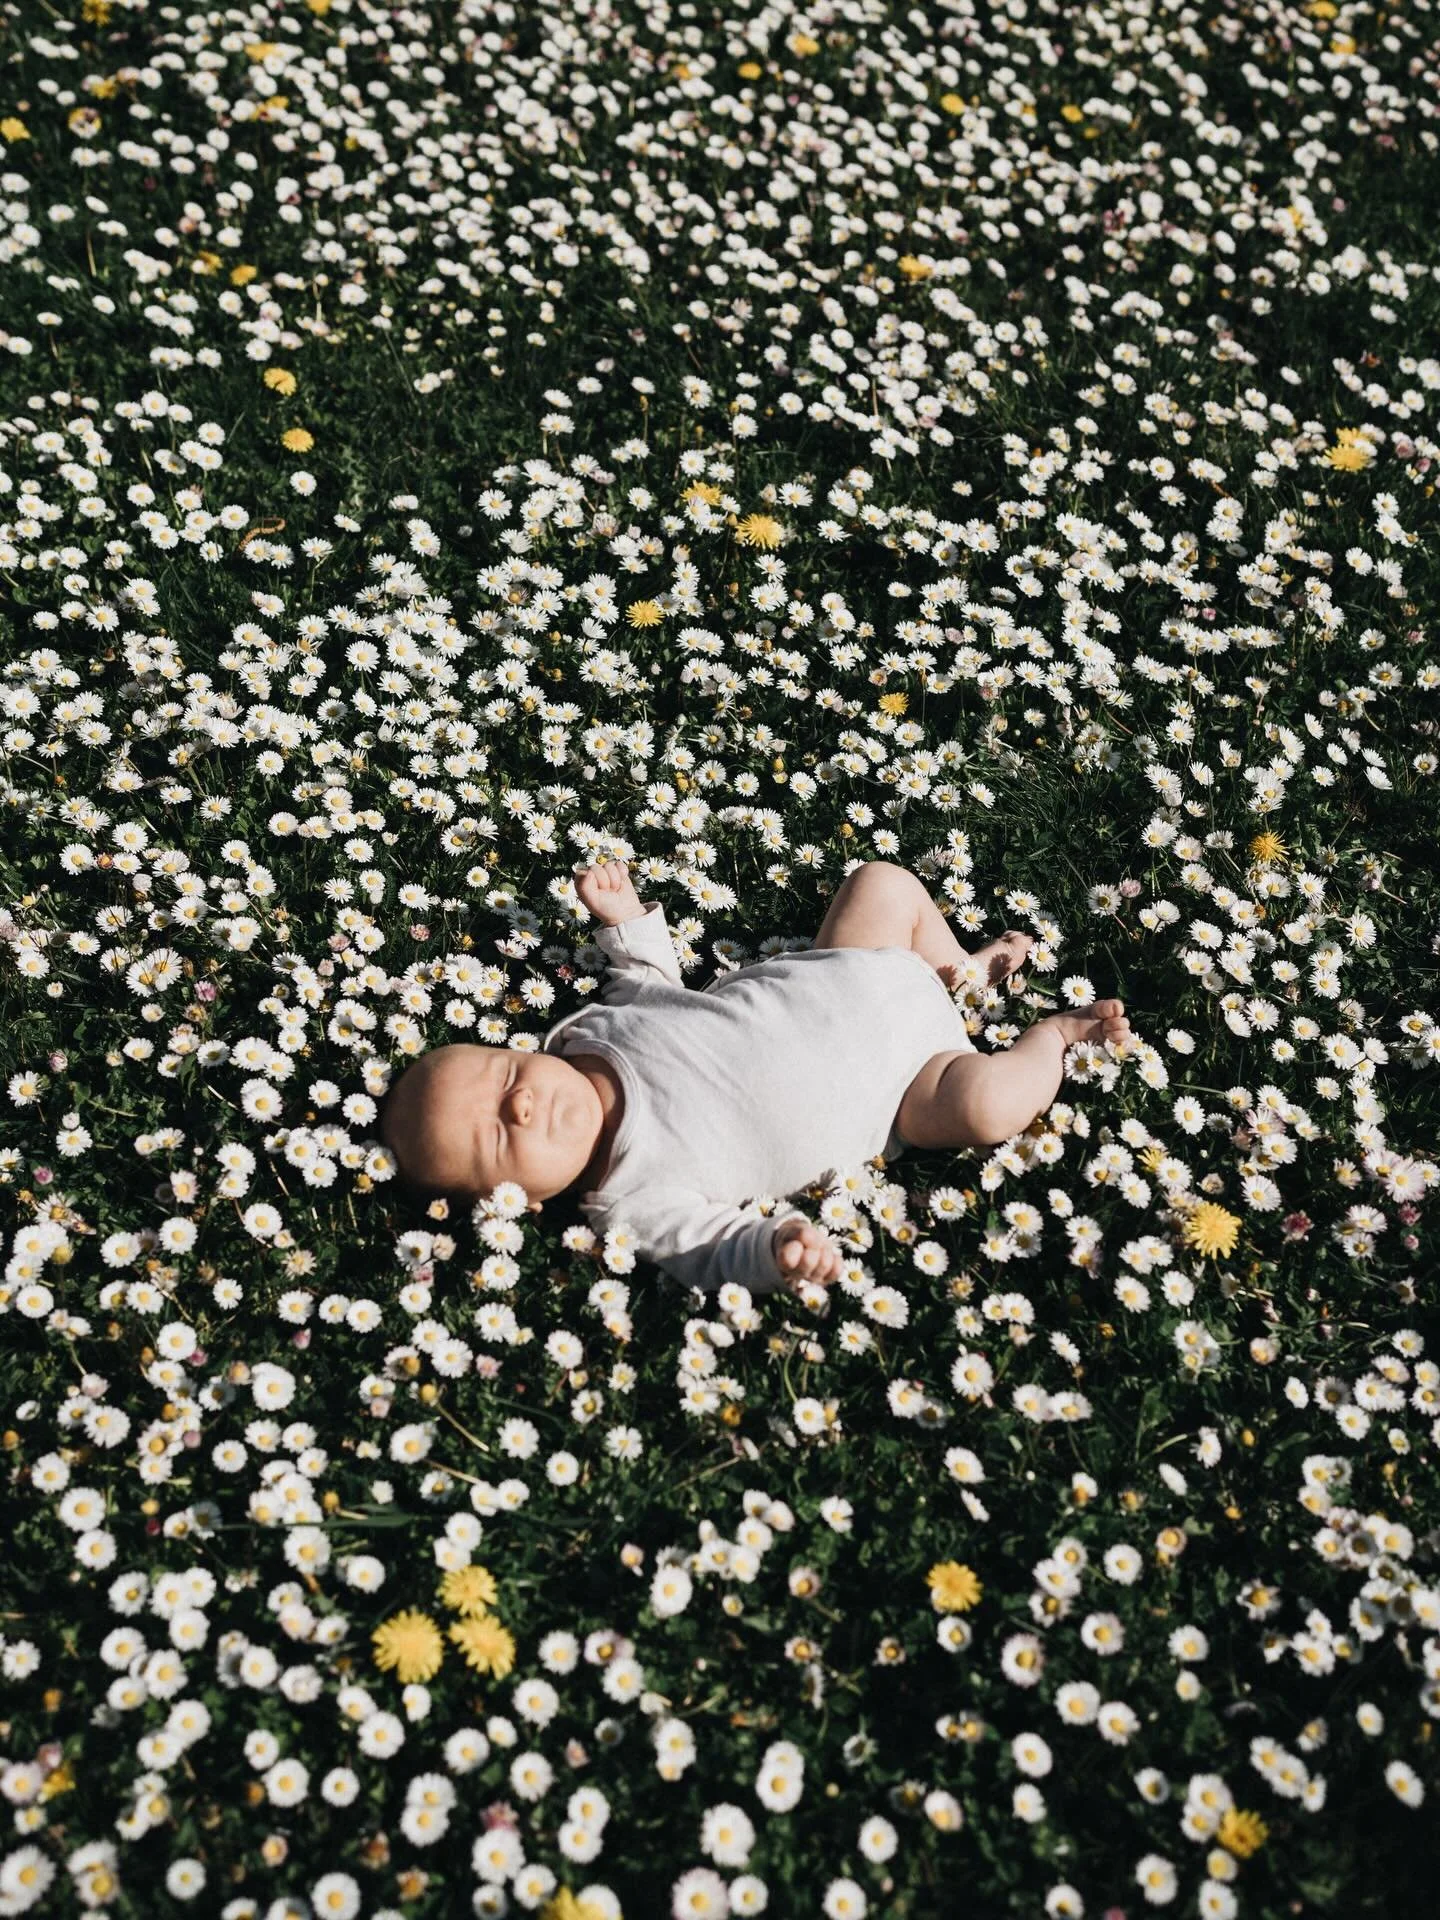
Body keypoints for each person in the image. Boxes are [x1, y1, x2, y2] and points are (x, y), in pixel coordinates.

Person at [379, 859, 1132, 1297]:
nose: (521, 1104)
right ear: (516, 1204)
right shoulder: (632, 1201)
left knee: (881, 881)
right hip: (912, 1085)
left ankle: (961, 972)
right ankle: (1053, 1038)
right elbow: (710, 1247)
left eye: (505, 1076)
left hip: (850, 967)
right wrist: (776, 1249)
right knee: (989, 1106)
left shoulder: (596, 1031)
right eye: (497, 1136)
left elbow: (649, 979)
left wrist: (623, 919)